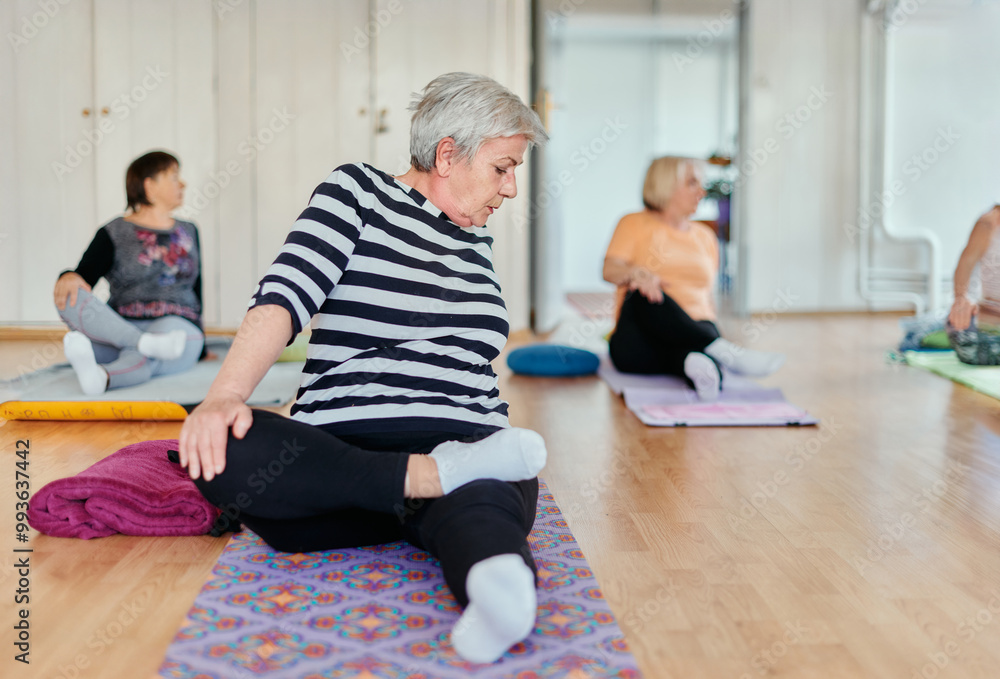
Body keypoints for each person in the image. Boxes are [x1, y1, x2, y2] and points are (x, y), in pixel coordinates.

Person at [178, 73, 549, 664]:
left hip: (462, 438)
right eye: (503, 168)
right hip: (342, 448)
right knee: (220, 444)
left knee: (493, 490)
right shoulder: (358, 192)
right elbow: (286, 293)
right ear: (447, 155)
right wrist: (225, 395)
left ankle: (499, 591)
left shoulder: (477, 242)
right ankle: (433, 481)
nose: (510, 188)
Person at [603, 156, 784, 400]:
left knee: (696, 357)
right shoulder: (633, 223)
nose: (702, 191)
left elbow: (708, 296)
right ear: (666, 184)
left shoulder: (705, 236)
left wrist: (712, 328)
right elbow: (609, 269)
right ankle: (723, 351)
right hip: (639, 338)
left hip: (694, 330)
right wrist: (636, 273)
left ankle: (702, 363)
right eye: (692, 183)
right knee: (643, 293)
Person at [53, 151, 205, 395]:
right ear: (150, 186)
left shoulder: (189, 230)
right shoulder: (114, 231)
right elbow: (83, 277)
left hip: (174, 327)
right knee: (69, 293)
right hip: (120, 327)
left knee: (168, 346)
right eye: (174, 177)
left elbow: (197, 288)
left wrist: (203, 346)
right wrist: (68, 276)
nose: (182, 184)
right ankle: (142, 343)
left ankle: (103, 377)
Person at [947, 205, 1000, 364]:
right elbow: (966, 263)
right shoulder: (989, 223)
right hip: (989, 319)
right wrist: (961, 298)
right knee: (969, 345)